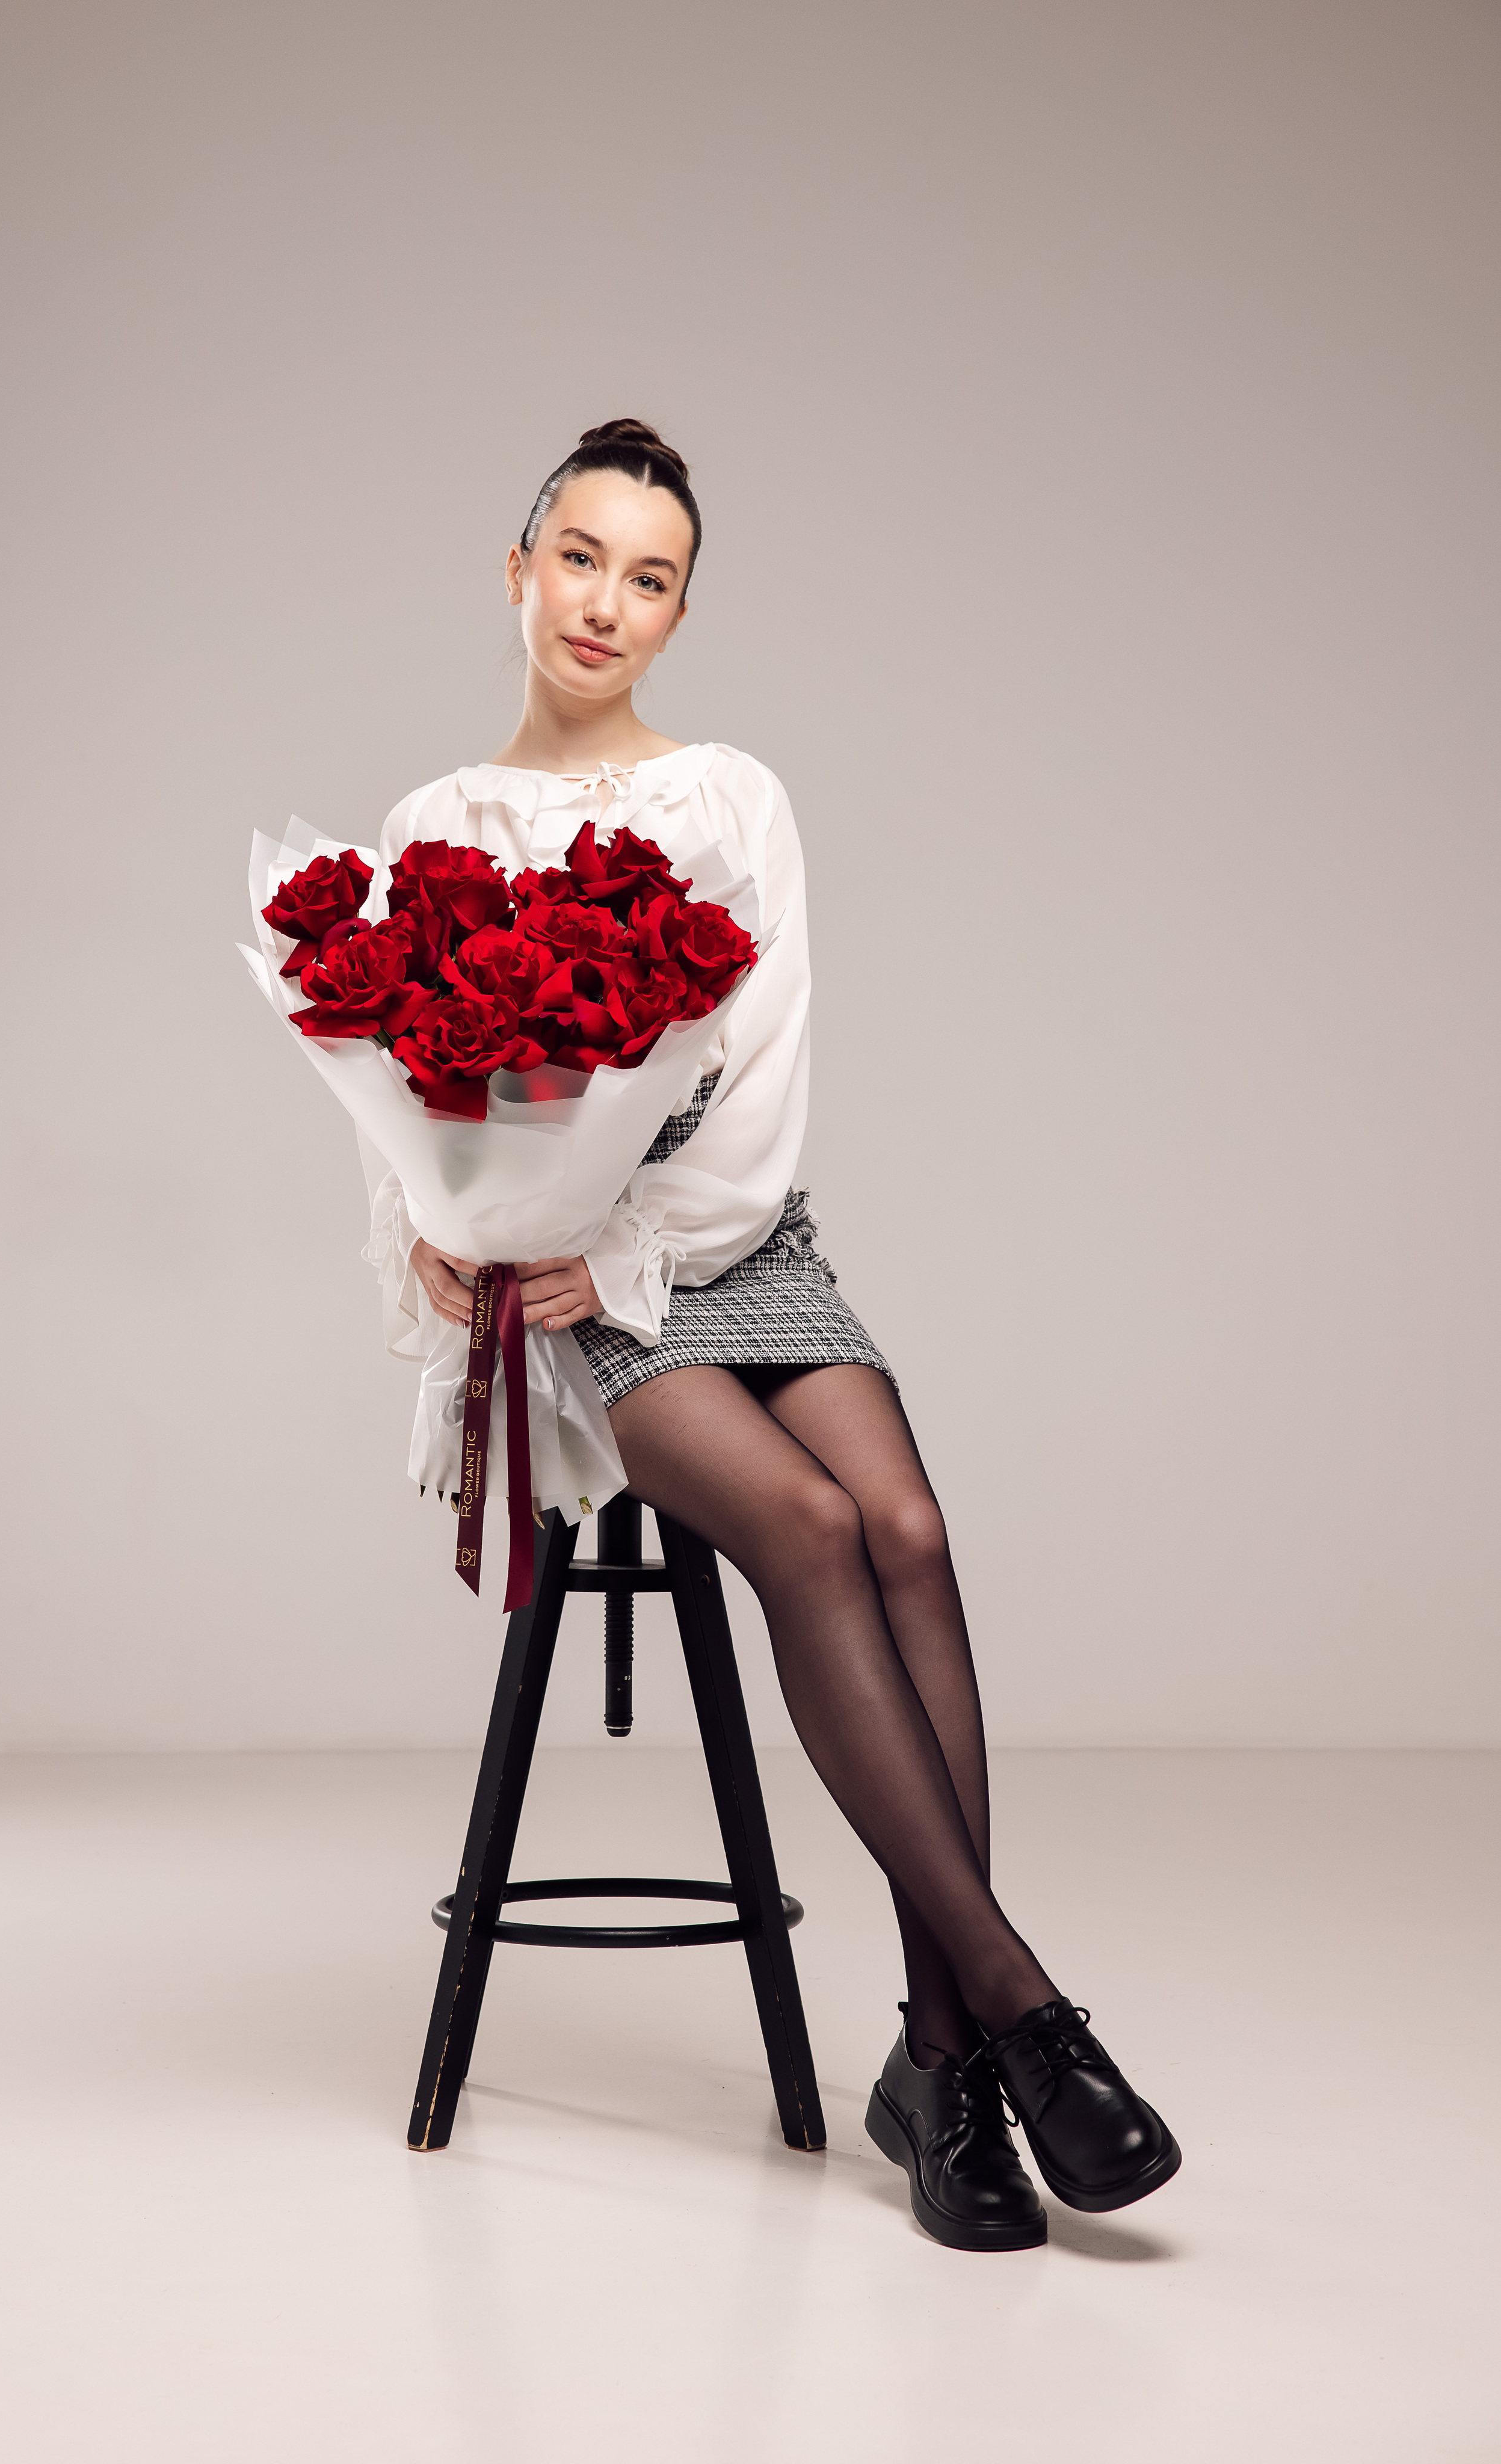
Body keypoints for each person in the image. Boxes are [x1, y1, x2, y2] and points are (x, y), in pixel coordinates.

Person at [372, 417, 1180, 2251]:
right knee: (813, 1530)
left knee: (908, 1526)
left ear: (679, 612)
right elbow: (409, 1115)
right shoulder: (432, 829)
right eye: (579, 557)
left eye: (648, 578)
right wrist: (447, 1241)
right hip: (556, 1295)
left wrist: (633, 1244)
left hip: (726, 1244)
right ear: (518, 571)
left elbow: (754, 1098)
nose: (605, 602)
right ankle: (1020, 2020)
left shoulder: (729, 797)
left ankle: (939, 2058)